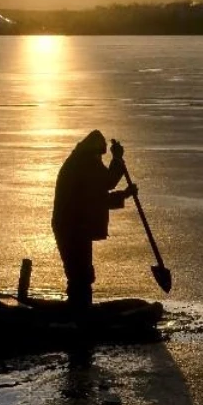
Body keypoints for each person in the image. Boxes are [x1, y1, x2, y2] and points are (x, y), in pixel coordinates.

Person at [51, 130, 137, 308]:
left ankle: (80, 307)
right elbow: (107, 182)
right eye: (100, 154)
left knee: (81, 273)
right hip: (73, 227)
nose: (100, 159)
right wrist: (118, 160)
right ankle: (79, 310)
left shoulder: (81, 161)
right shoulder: (85, 163)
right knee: (79, 273)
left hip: (75, 226)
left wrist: (125, 194)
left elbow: (98, 198)